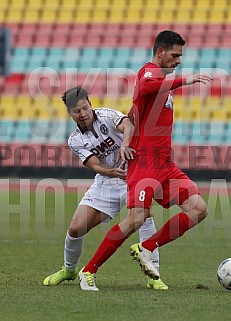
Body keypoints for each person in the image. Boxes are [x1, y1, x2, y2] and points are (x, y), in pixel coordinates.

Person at [78, 30, 213, 288]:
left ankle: (147, 246)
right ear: (160, 52)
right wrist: (183, 81)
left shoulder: (160, 81)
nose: (178, 61)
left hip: (166, 164)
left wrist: (127, 140)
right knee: (136, 219)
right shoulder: (149, 72)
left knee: (198, 209)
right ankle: (88, 270)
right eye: (174, 55)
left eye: (181, 56)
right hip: (146, 163)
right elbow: (147, 86)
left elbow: (132, 115)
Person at [43, 86, 168, 291]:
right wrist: (111, 172)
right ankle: (69, 269)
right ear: (70, 113)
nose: (83, 114)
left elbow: (128, 125)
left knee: (145, 217)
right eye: (77, 111)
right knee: (76, 228)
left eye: (85, 108)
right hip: (107, 183)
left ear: (90, 104)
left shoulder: (107, 115)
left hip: (135, 174)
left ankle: (154, 275)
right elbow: (95, 165)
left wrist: (124, 144)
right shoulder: (75, 140)